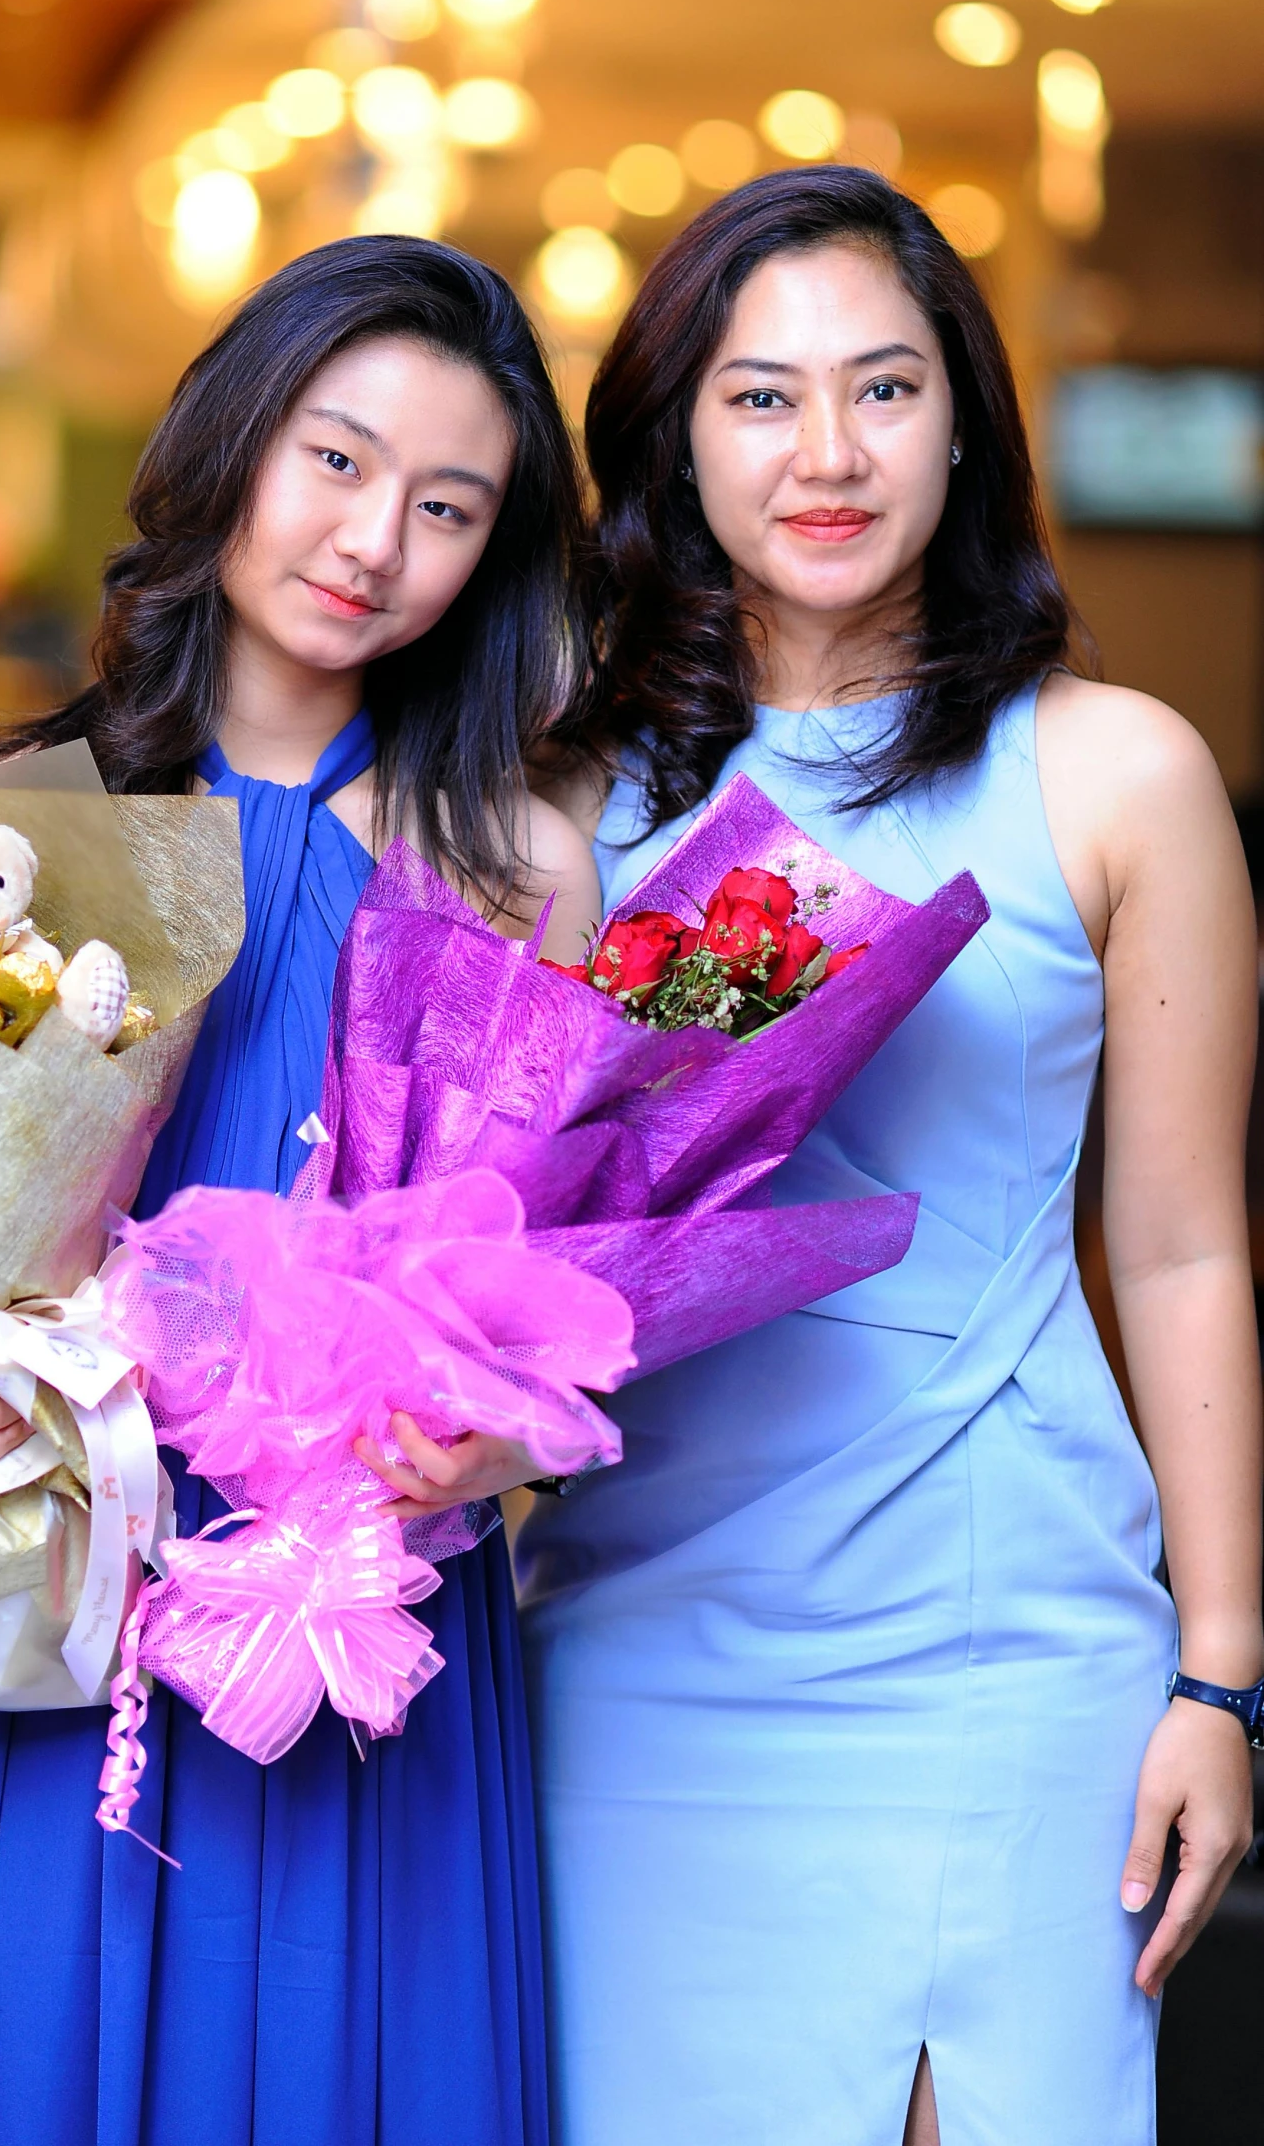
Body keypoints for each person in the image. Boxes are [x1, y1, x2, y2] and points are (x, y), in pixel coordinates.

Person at [0, 236, 598, 2146]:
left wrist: (497, 1444)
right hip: (53, 1628)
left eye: (448, 504)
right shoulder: (18, 828)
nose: (374, 538)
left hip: (356, 1632)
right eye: (335, 456)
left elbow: (569, 1304)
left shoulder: (523, 871)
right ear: (231, 442)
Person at [519, 166, 1263, 2146]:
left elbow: (1185, 1244)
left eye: (886, 387)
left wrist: (1224, 1675)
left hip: (1001, 1643)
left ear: (968, 421)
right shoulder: (566, 802)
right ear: (676, 438)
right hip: (641, 1639)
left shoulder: (1117, 772)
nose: (828, 453)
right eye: (761, 397)